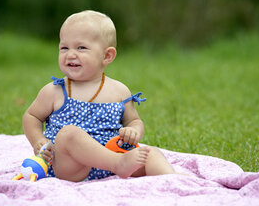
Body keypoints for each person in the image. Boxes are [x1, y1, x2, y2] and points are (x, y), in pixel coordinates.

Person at [22, 10, 176, 182]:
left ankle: (175, 181)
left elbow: (133, 120)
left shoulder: (119, 91)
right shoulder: (55, 91)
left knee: (151, 153)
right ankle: (118, 164)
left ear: (107, 55)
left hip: (112, 155)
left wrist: (133, 131)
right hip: (71, 166)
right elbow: (32, 116)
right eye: (64, 47)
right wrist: (38, 139)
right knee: (68, 134)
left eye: (81, 47)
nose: (71, 54)